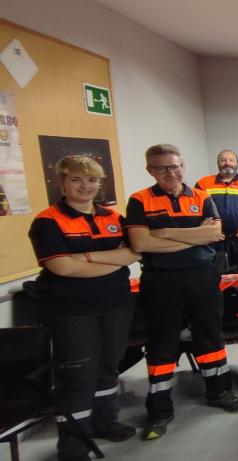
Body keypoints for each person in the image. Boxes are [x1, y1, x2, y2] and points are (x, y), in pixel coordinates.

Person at [126, 144, 238, 441]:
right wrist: (193, 236)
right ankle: (159, 409)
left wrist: (163, 233)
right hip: (160, 280)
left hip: (201, 276)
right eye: (162, 168)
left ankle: (219, 392)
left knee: (210, 335)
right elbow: (140, 243)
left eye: (176, 166)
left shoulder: (202, 197)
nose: (171, 172)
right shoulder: (139, 200)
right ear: (150, 170)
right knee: (162, 342)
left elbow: (213, 233)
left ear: (184, 166)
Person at [28, 155, 140, 460]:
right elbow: (62, 268)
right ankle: (74, 444)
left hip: (115, 303)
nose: (85, 186)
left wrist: (86, 258)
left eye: (92, 180)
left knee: (108, 367)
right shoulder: (48, 221)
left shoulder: (113, 217)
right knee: (78, 376)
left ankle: (106, 422)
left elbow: (132, 254)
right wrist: (108, 259)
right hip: (71, 310)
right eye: (76, 179)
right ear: (62, 182)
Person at [194, 149, 238, 272]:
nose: (227, 163)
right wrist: (208, 229)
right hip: (214, 240)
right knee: (216, 275)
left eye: (231, 160)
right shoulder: (203, 183)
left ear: (237, 163)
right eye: (223, 160)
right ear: (217, 163)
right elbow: (197, 211)